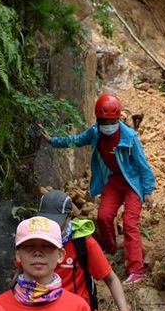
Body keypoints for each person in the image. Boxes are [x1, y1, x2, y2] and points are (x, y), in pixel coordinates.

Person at [44, 93, 156, 284]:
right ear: (98, 120)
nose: (108, 124)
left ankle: (137, 269)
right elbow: (77, 140)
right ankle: (110, 248)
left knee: (129, 223)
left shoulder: (129, 137)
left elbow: (143, 165)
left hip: (132, 184)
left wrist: (148, 191)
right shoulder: (95, 132)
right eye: (104, 121)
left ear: (118, 119)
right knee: (103, 216)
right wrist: (54, 141)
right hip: (114, 181)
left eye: (112, 121)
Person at [37, 189, 140, 311]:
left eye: (57, 223)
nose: (52, 228)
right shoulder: (34, 243)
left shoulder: (83, 244)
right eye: (47, 222)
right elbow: (20, 275)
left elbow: (110, 279)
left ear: (69, 217)